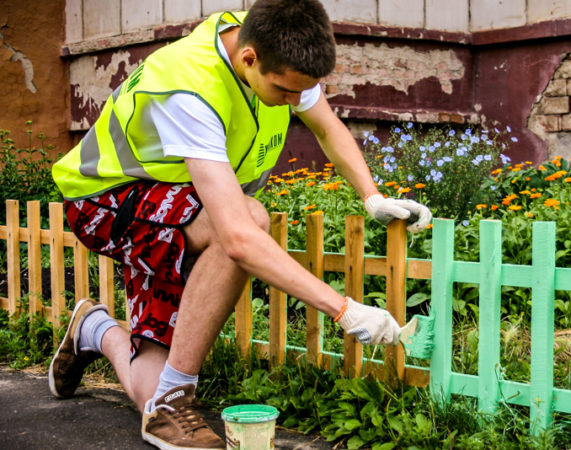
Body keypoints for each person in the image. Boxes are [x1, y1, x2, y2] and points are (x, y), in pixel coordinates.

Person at [48, 1, 432, 448]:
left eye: (301, 93)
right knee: (248, 218)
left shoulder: (273, 54)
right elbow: (236, 238)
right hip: (105, 203)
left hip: (176, 209)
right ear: (249, 59)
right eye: (286, 92)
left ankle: (93, 329)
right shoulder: (190, 91)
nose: (295, 103)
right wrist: (344, 310)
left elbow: (327, 128)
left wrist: (372, 196)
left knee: (144, 388)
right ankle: (174, 402)